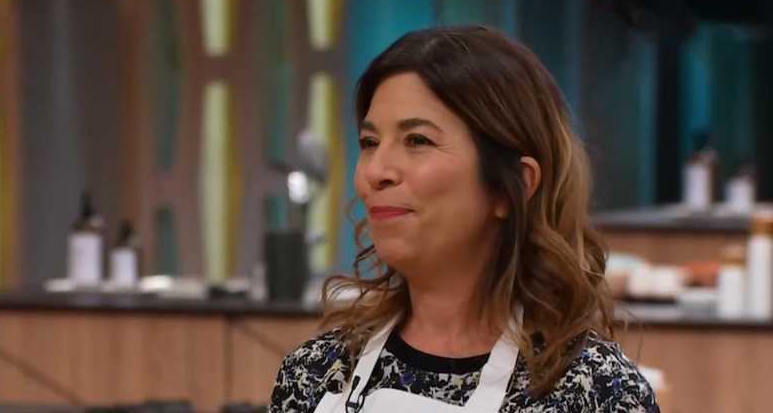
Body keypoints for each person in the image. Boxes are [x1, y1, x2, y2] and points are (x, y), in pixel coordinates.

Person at [268, 26, 659, 412]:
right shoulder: (315, 373)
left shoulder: (593, 392)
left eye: (418, 140)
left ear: (513, 186)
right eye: (370, 142)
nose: (375, 171)